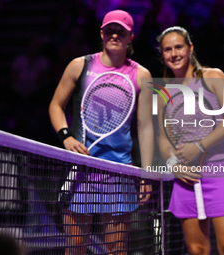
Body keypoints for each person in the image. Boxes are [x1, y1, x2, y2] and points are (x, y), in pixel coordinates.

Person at [49, 10, 154, 255]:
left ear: (131, 37)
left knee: (117, 250)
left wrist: (146, 174)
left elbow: (145, 127)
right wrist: (66, 136)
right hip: (80, 170)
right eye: (109, 30)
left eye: (121, 31)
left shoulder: (142, 75)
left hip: (119, 172)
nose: (114, 34)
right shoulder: (79, 65)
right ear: (101, 33)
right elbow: (56, 105)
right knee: (75, 248)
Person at [156, 26, 224, 255]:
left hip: (222, 169)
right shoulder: (163, 92)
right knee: (197, 250)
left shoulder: (212, 76)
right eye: (168, 49)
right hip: (186, 177)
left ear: (190, 48)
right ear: (162, 54)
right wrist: (172, 164)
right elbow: (163, 138)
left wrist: (199, 146)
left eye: (179, 47)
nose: (174, 54)